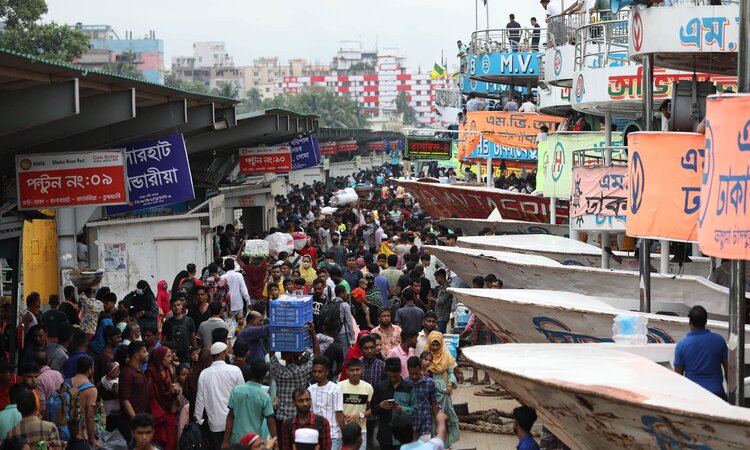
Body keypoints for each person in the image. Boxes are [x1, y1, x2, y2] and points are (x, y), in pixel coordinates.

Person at [270, 324, 320, 450]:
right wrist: (313, 333)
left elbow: (271, 353)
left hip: (281, 418)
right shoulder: (301, 371)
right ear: (294, 357)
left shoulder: (277, 370)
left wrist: (276, 333)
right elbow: (318, 356)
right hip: (298, 418)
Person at [195, 342, 245, 450]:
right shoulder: (235, 371)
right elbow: (243, 395)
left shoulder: (204, 374)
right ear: (223, 354)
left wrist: (198, 419)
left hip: (215, 422)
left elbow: (200, 399)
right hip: (234, 421)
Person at [674, 305, 728, 399]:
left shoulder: (681, 345)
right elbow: (729, 370)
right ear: (706, 321)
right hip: (717, 394)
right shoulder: (719, 340)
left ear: (690, 322)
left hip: (693, 395)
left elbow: (678, 377)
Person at [223, 360, 277, 447]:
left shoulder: (236, 390)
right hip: (254, 442)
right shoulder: (264, 396)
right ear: (264, 376)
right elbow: (270, 421)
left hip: (236, 440)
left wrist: (225, 441)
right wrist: (275, 441)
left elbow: (230, 417)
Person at [371, 358, 417, 450]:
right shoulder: (380, 387)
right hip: (385, 436)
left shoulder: (409, 388)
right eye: (390, 376)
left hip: (404, 437)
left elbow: (414, 409)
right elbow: (373, 409)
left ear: (400, 372)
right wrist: (380, 406)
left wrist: (401, 409)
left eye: (395, 376)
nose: (392, 379)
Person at [426, 332, 460, 446]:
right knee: (430, 417)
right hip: (428, 389)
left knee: (443, 416)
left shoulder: (445, 356)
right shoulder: (425, 357)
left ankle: (443, 442)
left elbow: (451, 372)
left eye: (437, 345)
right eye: (433, 345)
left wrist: (450, 384)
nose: (435, 348)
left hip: (443, 390)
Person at [308, 356, 345, 450]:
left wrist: (344, 434)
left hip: (332, 435)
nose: (317, 374)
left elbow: (339, 413)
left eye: (320, 371)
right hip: (314, 435)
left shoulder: (336, 389)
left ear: (327, 372)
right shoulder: (310, 390)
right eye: (314, 371)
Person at [145, 347, 178, 450]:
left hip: (168, 410)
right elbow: (151, 395)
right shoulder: (150, 374)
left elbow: (170, 387)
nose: (170, 359)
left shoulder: (169, 370)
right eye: (167, 356)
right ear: (159, 358)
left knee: (171, 440)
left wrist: (174, 391)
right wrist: (169, 392)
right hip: (158, 412)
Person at [120, 341, 151, 441]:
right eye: (145, 351)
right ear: (137, 355)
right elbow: (125, 400)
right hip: (132, 424)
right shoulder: (127, 373)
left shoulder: (138, 371)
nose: (147, 354)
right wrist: (135, 421)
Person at [338, 359, 372, 450]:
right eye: (352, 370)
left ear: (362, 370)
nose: (355, 373)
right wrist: (344, 416)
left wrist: (359, 415)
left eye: (357, 370)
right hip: (342, 430)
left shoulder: (368, 387)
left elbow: (372, 409)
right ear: (347, 371)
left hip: (361, 430)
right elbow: (335, 408)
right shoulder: (339, 386)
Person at [406, 357, 439, 442]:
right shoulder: (403, 384)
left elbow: (434, 404)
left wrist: (438, 425)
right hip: (408, 427)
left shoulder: (430, 383)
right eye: (411, 373)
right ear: (407, 370)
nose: (414, 376)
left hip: (425, 425)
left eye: (416, 373)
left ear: (420, 369)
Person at [70, 357, 99, 450]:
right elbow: (90, 416)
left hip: (65, 432)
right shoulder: (91, 389)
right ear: (90, 370)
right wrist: (92, 438)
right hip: (80, 435)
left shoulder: (66, 382)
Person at [162, 296, 197, 364]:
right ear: (171, 308)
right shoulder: (167, 323)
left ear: (182, 306)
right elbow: (164, 342)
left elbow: (193, 339)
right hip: (172, 358)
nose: (177, 307)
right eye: (174, 306)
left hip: (186, 357)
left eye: (178, 305)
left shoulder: (189, 321)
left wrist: (195, 352)